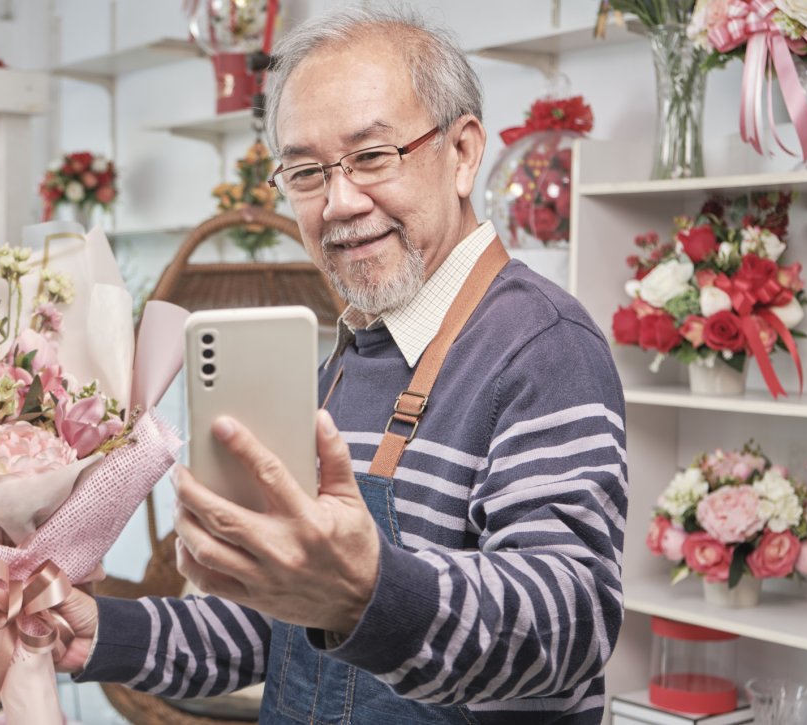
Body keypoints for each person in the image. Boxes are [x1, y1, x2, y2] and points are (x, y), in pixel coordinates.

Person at [52, 7, 627, 725]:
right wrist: (96, 631)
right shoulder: (356, 354)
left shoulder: (543, 344)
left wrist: (365, 592)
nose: (340, 202)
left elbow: (569, 624)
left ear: (464, 151)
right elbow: (274, 629)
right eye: (306, 171)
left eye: (373, 156)